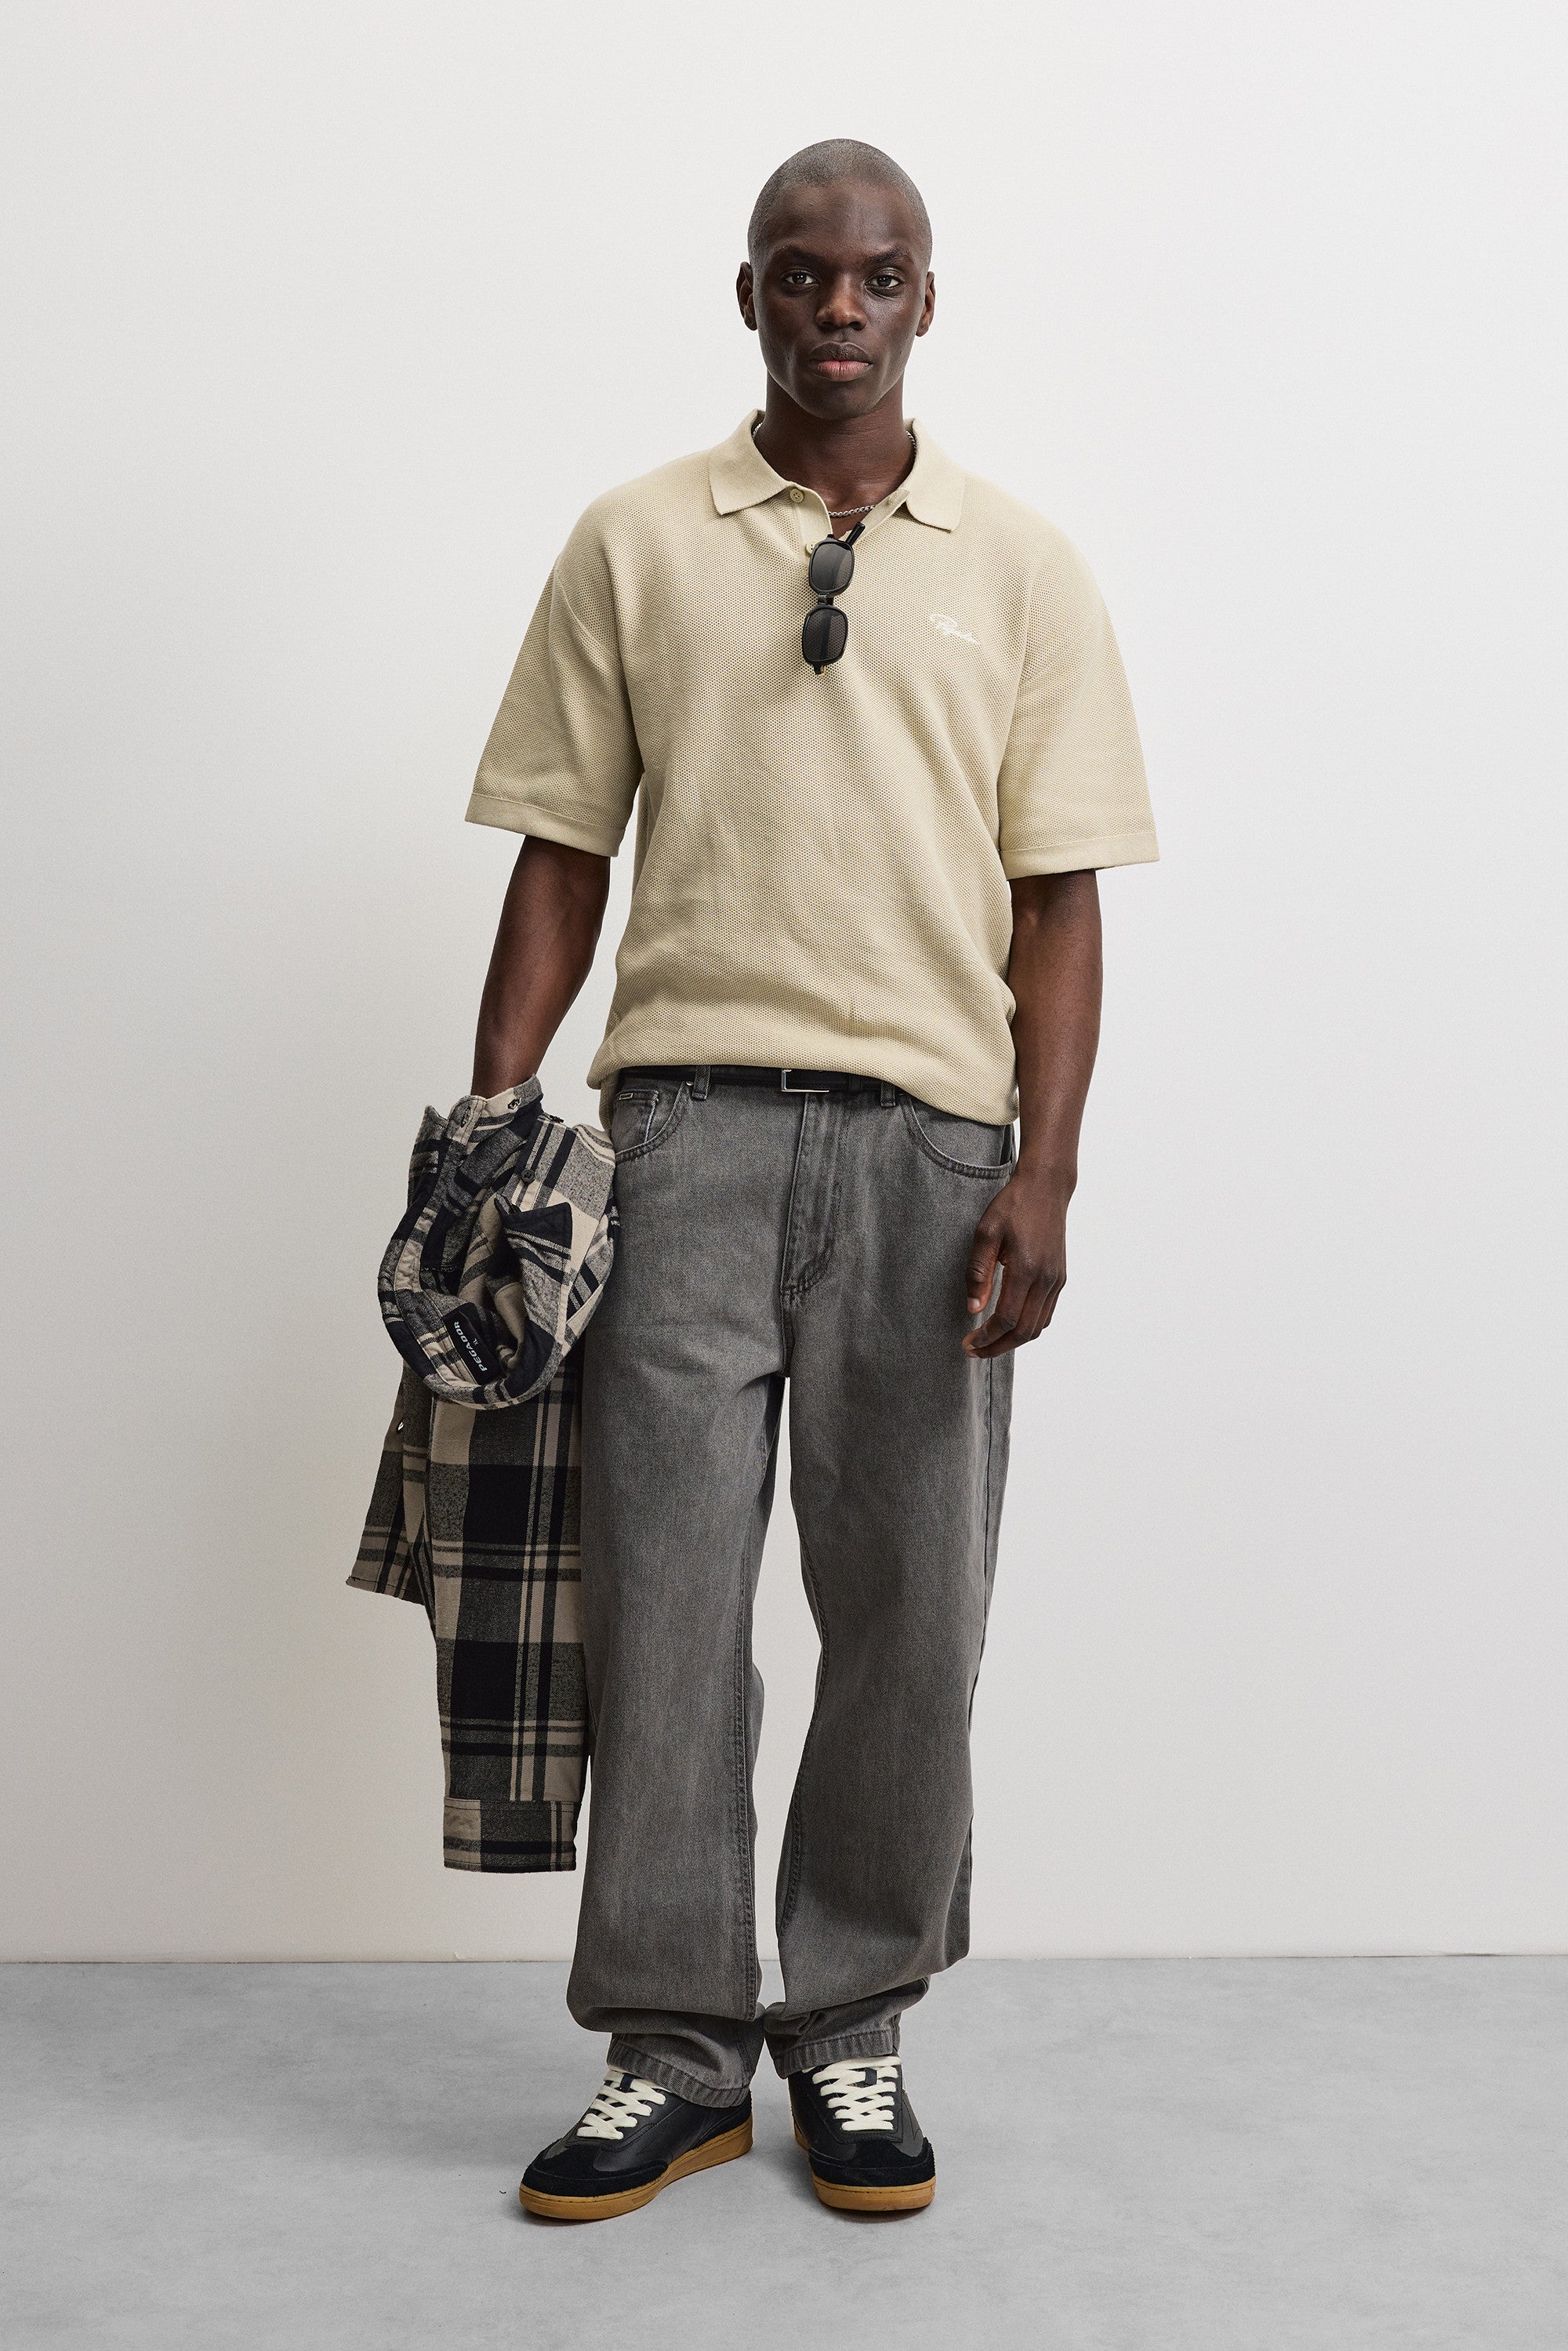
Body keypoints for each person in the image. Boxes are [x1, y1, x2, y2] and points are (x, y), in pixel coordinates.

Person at [465, 139, 1157, 2222]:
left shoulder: (1020, 567)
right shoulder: (634, 541)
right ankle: (673, 2052)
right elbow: (563, 852)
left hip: (931, 1157)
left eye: (876, 274)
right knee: (665, 1610)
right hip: (680, 1139)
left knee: (912, 1617)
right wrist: (492, 1125)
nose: (837, 307)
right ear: (748, 292)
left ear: (926, 297)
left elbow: (1059, 897)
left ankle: (851, 2021)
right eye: (799, 273)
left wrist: (1047, 1171)